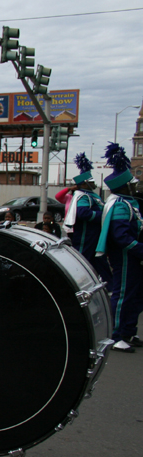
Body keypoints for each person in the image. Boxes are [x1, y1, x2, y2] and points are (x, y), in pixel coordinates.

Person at [96, 143, 143, 354]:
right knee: (123, 295)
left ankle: (128, 331)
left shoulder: (128, 202)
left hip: (133, 256)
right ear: (124, 186)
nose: (135, 187)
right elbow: (121, 237)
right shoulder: (120, 204)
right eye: (131, 184)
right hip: (125, 256)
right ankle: (115, 336)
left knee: (136, 295)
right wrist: (140, 249)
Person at [62, 153, 111, 283]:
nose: (94, 183)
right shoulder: (83, 196)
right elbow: (83, 213)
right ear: (84, 184)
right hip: (86, 236)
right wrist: (103, 216)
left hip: (95, 236)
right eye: (91, 181)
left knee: (99, 261)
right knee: (82, 263)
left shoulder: (91, 195)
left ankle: (109, 285)